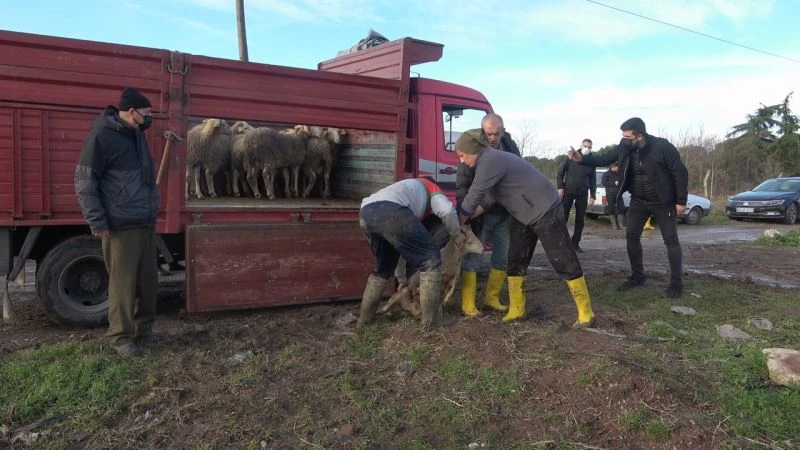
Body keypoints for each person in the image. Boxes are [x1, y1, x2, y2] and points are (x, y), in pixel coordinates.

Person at [455, 129, 596, 327]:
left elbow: (474, 195)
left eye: (462, 155)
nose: (461, 160)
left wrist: (460, 222)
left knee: (562, 258)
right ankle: (517, 309)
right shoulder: (488, 161)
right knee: (516, 259)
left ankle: (586, 312)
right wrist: (467, 219)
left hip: (545, 208)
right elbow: (488, 199)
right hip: (522, 212)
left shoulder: (490, 159)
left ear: (472, 150)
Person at [74, 87, 161, 357]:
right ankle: (121, 337)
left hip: (144, 222)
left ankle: (144, 330)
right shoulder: (102, 136)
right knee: (123, 284)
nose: (149, 118)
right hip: (119, 226)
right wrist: (97, 221)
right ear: (132, 112)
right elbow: (84, 181)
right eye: (146, 113)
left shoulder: (136, 136)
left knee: (148, 282)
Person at [569, 117, 688, 298]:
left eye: (628, 137)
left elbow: (680, 173)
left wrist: (681, 201)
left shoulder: (662, 147)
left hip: (662, 202)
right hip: (638, 200)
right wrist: (582, 159)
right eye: (623, 136)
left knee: (671, 241)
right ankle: (638, 275)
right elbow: (604, 158)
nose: (624, 140)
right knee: (631, 237)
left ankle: (676, 284)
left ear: (639, 136)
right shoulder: (625, 147)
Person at [357, 178, 465, 330]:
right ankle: (431, 321)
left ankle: (364, 320)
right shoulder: (432, 188)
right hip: (391, 211)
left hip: (366, 213)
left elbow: (401, 249)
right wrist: (456, 234)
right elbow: (447, 211)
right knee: (431, 260)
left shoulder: (406, 188)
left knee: (383, 267)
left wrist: (402, 279)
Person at [456, 113, 521, 317]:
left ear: (503, 131)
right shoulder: (472, 148)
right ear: (482, 132)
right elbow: (462, 187)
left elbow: (516, 172)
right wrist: (464, 220)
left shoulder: (510, 146)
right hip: (479, 214)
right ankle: (468, 303)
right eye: (489, 134)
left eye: (496, 134)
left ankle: (491, 298)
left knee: (502, 256)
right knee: (473, 256)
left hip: (504, 212)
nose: (492, 138)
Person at [557, 139, 596, 253]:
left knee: (580, 220)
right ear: (581, 145)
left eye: (589, 147)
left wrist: (592, 195)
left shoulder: (591, 160)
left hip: (583, 193)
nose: (587, 148)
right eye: (585, 146)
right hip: (568, 192)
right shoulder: (571, 156)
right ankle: (561, 243)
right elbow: (560, 172)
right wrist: (560, 186)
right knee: (563, 217)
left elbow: (593, 180)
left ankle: (575, 243)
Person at [602, 162, 623, 230]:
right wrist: (613, 183)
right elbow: (604, 183)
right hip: (610, 194)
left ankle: (621, 225)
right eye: (617, 167)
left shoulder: (619, 174)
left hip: (618, 194)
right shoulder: (606, 174)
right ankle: (614, 225)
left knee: (621, 208)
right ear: (613, 167)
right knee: (611, 209)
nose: (618, 168)